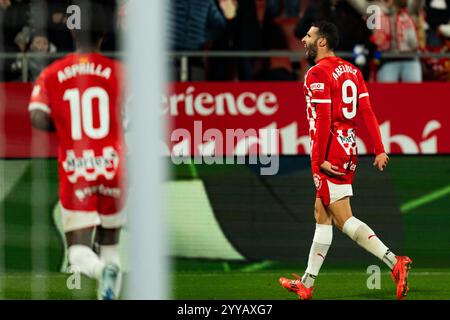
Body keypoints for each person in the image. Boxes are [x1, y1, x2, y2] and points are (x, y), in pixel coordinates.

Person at [279, 21, 412, 300]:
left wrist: (318, 161)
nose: (303, 39)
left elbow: (325, 119)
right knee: (322, 213)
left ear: (322, 42)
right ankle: (307, 283)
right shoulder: (352, 70)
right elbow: (367, 111)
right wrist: (378, 148)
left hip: (330, 149)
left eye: (309, 36)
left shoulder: (317, 74)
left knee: (343, 218)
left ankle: (393, 262)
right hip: (348, 145)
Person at [28, 2, 126, 300]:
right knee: (110, 246)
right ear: (105, 33)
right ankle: (107, 291)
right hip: (115, 167)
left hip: (76, 168)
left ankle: (99, 274)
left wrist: (66, 122)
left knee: (79, 252)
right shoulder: (120, 72)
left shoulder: (53, 74)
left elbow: (36, 115)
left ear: (71, 30)